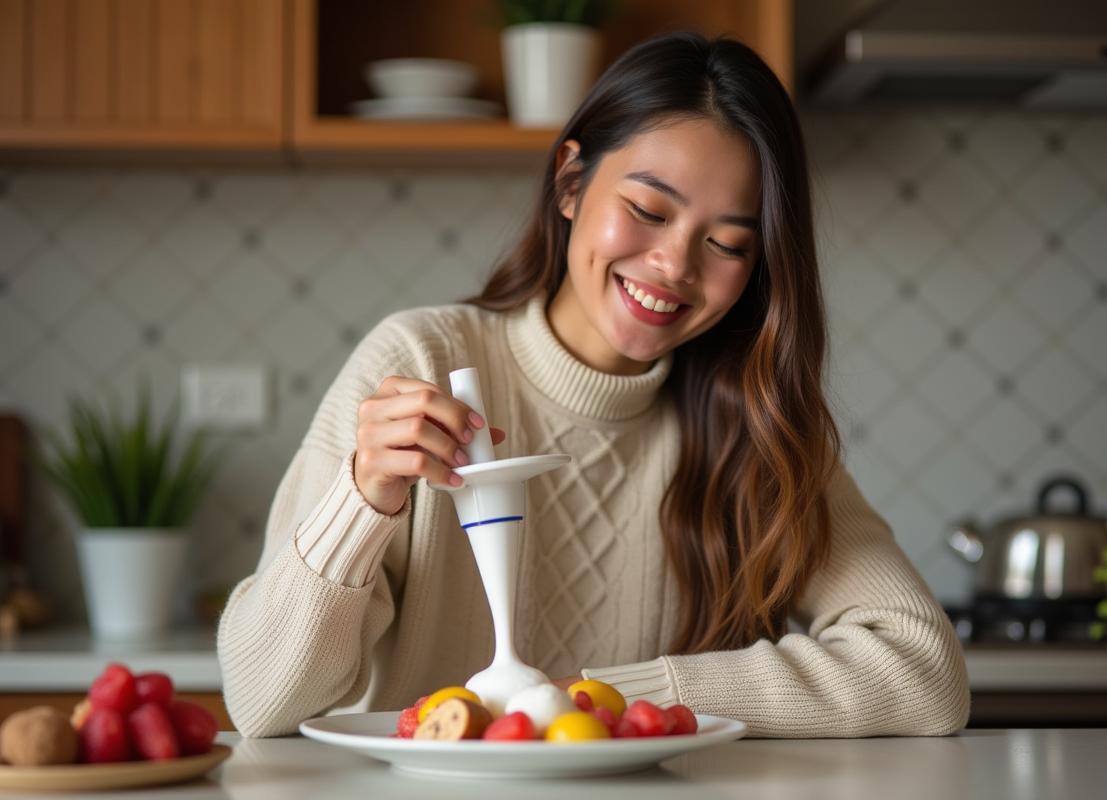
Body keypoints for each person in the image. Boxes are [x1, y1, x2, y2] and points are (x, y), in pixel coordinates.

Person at [218, 31, 969, 739]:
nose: (676, 265)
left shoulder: (754, 422)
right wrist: (363, 495)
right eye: (647, 210)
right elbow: (261, 701)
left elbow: (926, 669)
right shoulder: (421, 358)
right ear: (571, 182)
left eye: (727, 243)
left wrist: (610, 701)